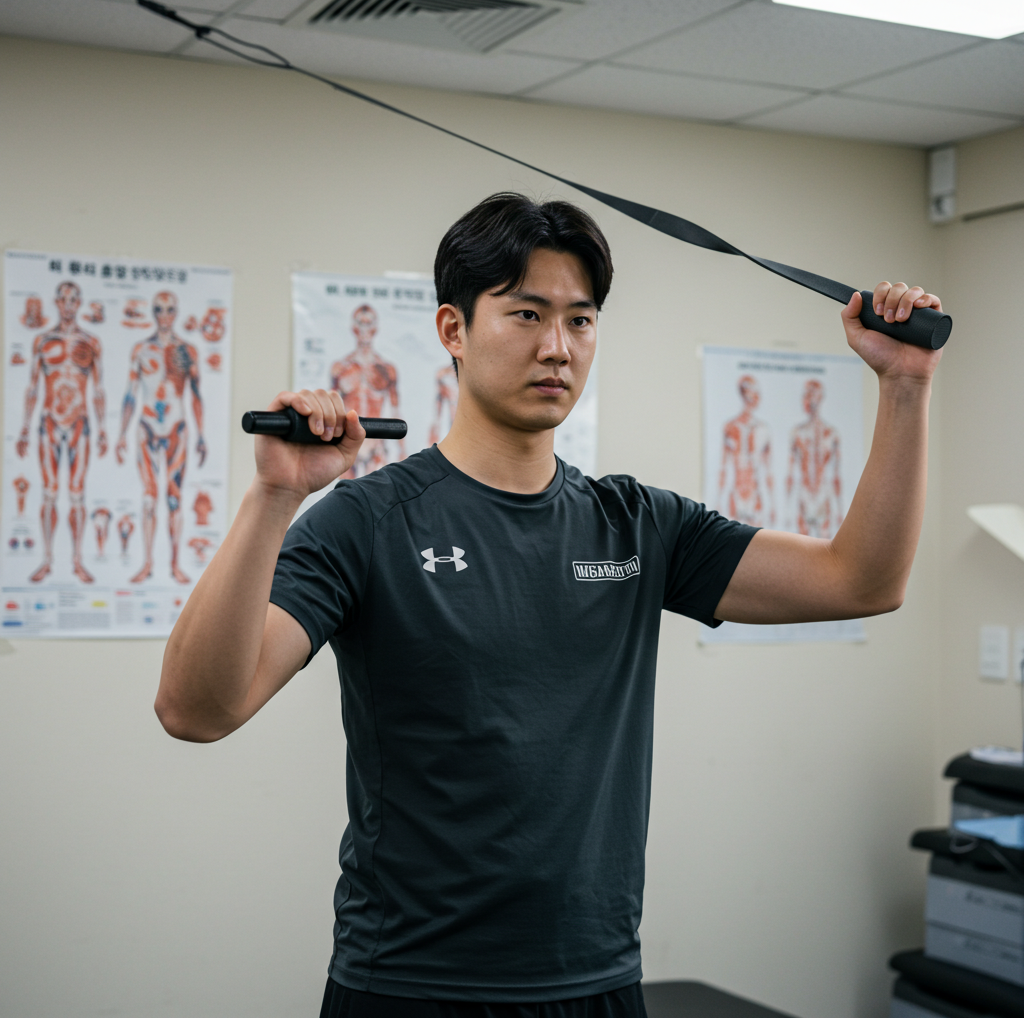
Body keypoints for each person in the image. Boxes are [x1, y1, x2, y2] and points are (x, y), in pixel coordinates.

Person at [156, 193, 941, 1018]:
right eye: (527, 314)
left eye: (581, 320)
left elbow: (863, 581)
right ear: (454, 330)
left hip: (598, 981)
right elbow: (196, 709)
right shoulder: (369, 522)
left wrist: (905, 386)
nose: (557, 347)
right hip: (412, 985)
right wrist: (275, 496)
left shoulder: (638, 525)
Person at [15, 280, 107, 584]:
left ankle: (77, 561)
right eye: (64, 299)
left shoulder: (91, 342)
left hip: (79, 422)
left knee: (77, 493)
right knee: (50, 492)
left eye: (73, 300)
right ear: (56, 302)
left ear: (79, 304)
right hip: (49, 422)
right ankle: (47, 560)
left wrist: (103, 429)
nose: (68, 305)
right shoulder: (43, 341)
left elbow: (98, 389)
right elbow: (32, 387)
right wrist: (24, 428)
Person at [115, 290, 206, 584]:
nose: (164, 315)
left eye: (169, 309)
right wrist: (121, 433)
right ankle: (148, 563)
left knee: (174, 498)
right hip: (147, 427)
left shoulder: (187, 351)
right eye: (158, 309)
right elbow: (130, 394)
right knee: (149, 498)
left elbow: (196, 395)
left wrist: (201, 435)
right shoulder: (141, 350)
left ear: (175, 313)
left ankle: (175, 564)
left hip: (177, 428)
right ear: (153, 313)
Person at [330, 304, 406, 477]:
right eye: (361, 323)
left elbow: (396, 412)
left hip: (375, 445)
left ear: (375, 328)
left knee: (378, 492)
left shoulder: (387, 369)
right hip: (347, 444)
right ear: (354, 328)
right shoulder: (340, 369)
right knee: (345, 493)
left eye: (368, 323)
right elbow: (330, 409)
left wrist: (402, 450)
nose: (364, 329)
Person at [786, 379, 843, 537]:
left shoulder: (832, 434)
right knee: (802, 543)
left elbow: (836, 476)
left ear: (819, 398)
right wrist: (787, 509)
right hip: (804, 493)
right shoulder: (797, 433)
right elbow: (790, 474)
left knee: (825, 544)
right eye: (805, 395)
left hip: (823, 494)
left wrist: (840, 509)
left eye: (810, 395)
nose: (806, 400)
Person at [717, 373, 774, 527]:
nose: (758, 397)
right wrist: (718, 501)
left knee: (758, 538)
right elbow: (723, 467)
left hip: (754, 493)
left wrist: (773, 504)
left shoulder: (763, 429)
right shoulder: (730, 427)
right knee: (733, 538)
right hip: (736, 494)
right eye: (754, 392)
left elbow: (768, 470)